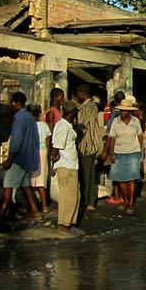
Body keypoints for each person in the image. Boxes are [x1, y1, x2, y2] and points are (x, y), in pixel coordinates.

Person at [0, 91, 41, 225]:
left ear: (16, 103)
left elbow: (16, 141)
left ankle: (1, 214)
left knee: (8, 185)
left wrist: (9, 159)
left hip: (19, 159)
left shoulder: (18, 118)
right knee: (25, 185)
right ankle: (35, 211)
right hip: (28, 157)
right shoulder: (29, 117)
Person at [105, 98, 144, 215]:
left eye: (125, 111)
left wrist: (140, 151)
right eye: (121, 110)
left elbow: (140, 136)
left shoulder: (135, 121)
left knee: (131, 178)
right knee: (121, 179)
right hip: (119, 152)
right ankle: (126, 200)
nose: (122, 112)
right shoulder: (116, 122)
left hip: (133, 152)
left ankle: (131, 202)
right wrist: (111, 154)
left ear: (129, 112)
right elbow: (111, 138)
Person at [50, 102, 82, 238]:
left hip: (71, 165)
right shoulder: (63, 126)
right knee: (67, 197)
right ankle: (63, 225)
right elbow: (56, 147)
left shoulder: (67, 126)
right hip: (66, 165)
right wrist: (52, 165)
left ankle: (70, 223)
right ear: (72, 112)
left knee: (75, 196)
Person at [75, 84, 104, 211]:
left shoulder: (89, 107)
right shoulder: (90, 106)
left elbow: (82, 127)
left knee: (86, 177)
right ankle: (90, 201)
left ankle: (87, 201)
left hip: (86, 146)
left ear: (83, 94)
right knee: (90, 176)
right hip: (89, 146)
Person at [102, 90, 127, 205]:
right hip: (127, 147)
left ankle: (117, 197)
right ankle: (125, 197)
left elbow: (109, 135)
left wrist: (105, 151)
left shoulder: (114, 115)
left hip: (115, 147)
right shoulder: (129, 114)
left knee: (115, 174)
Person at [30, 104, 51, 213]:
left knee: (30, 182)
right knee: (41, 182)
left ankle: (30, 206)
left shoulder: (29, 126)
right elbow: (48, 142)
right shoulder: (44, 126)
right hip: (42, 152)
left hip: (32, 152)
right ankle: (45, 205)